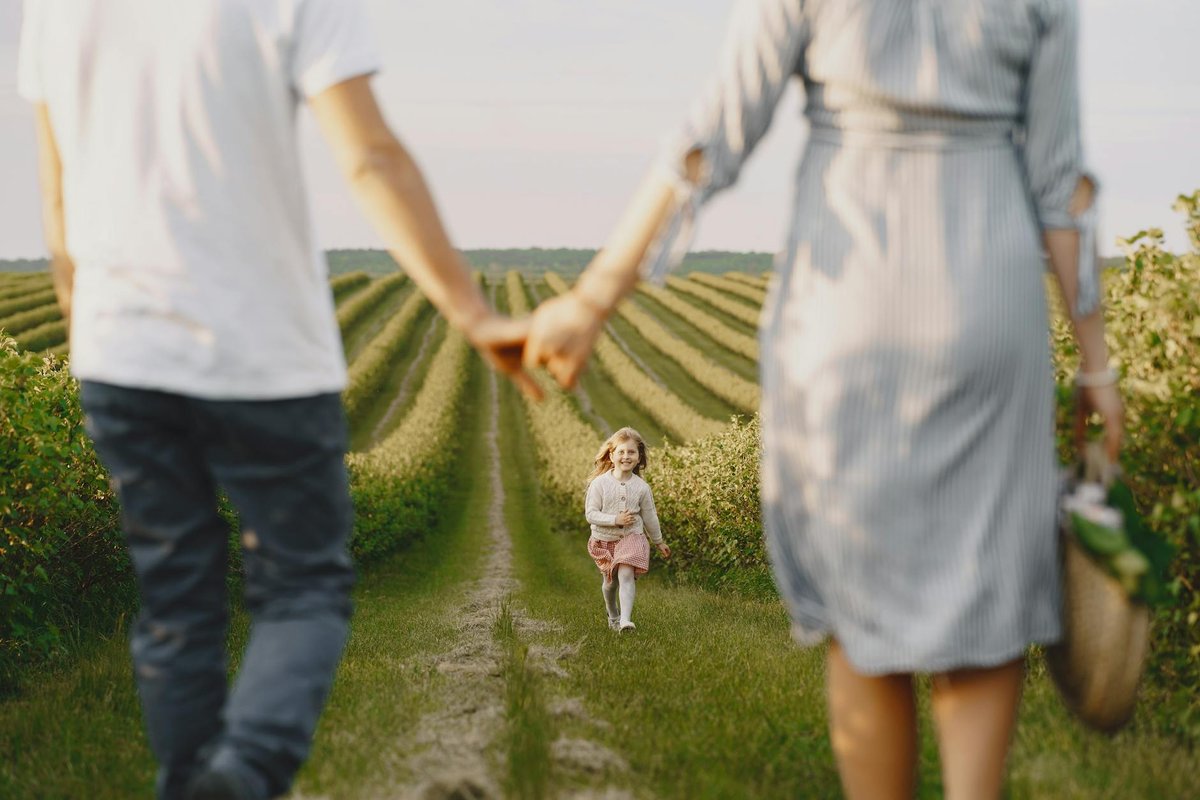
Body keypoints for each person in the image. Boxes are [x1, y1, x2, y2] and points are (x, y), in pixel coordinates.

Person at [523, 1, 1124, 798]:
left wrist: (595, 298)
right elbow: (1063, 182)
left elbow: (711, 139)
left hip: (845, 312)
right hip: (985, 305)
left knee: (858, 608)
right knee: (981, 596)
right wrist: (1096, 365)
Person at [18, 2, 536, 799]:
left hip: (121, 351)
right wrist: (472, 312)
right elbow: (368, 159)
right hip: (262, 349)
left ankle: (197, 784)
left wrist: (95, 336)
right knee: (301, 587)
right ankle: (246, 774)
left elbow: (57, 202)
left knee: (177, 598)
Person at [584, 427, 671, 632]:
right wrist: (615, 519)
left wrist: (658, 541)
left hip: (632, 537)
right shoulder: (600, 484)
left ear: (639, 457)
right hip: (604, 540)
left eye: (631, 452)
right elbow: (591, 514)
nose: (626, 456)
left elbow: (650, 517)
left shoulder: (641, 487)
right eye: (621, 452)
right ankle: (612, 613)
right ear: (611, 455)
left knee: (625, 573)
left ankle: (625, 620)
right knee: (610, 584)